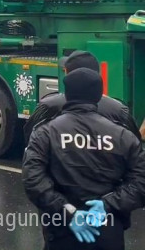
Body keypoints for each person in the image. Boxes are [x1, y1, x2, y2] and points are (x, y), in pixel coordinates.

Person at [23, 68, 145, 249]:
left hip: (61, 230)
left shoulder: (45, 133)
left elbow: (33, 179)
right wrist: (107, 205)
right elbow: (141, 182)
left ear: (67, 95)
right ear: (98, 95)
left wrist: (67, 210)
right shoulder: (122, 135)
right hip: (107, 228)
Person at [24, 50, 140, 144]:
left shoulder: (48, 105)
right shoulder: (118, 109)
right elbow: (134, 145)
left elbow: (30, 137)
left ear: (68, 75)